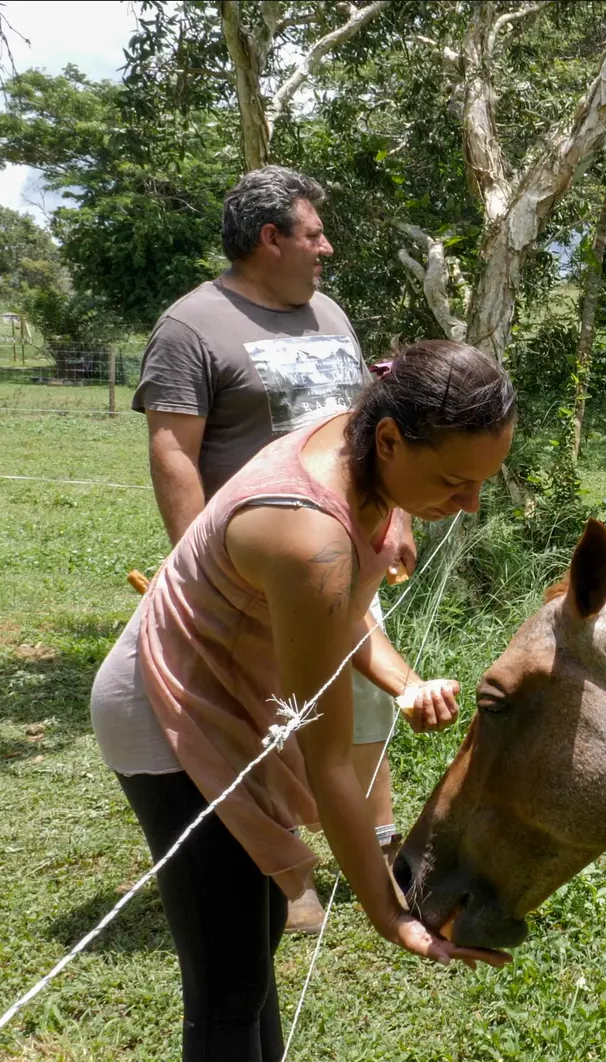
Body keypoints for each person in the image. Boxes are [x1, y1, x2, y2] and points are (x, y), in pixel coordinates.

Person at [91, 341, 515, 1062]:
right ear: (390, 440)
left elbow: (343, 603)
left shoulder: (357, 437)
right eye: (455, 481)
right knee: (228, 978)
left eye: (482, 483)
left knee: (255, 933)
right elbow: (330, 764)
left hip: (236, 694)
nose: (470, 505)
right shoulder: (306, 532)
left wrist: (400, 679)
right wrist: (389, 913)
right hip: (169, 708)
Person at [132, 164, 405, 933]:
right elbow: (174, 453)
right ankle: (287, 879)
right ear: (270, 237)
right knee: (269, 715)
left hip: (346, 548)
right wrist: (203, 568)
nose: (326, 248)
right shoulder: (193, 327)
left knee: (367, 701)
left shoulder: (330, 315)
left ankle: (380, 848)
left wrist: (396, 519)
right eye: (313, 234)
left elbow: (367, 431)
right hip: (257, 571)